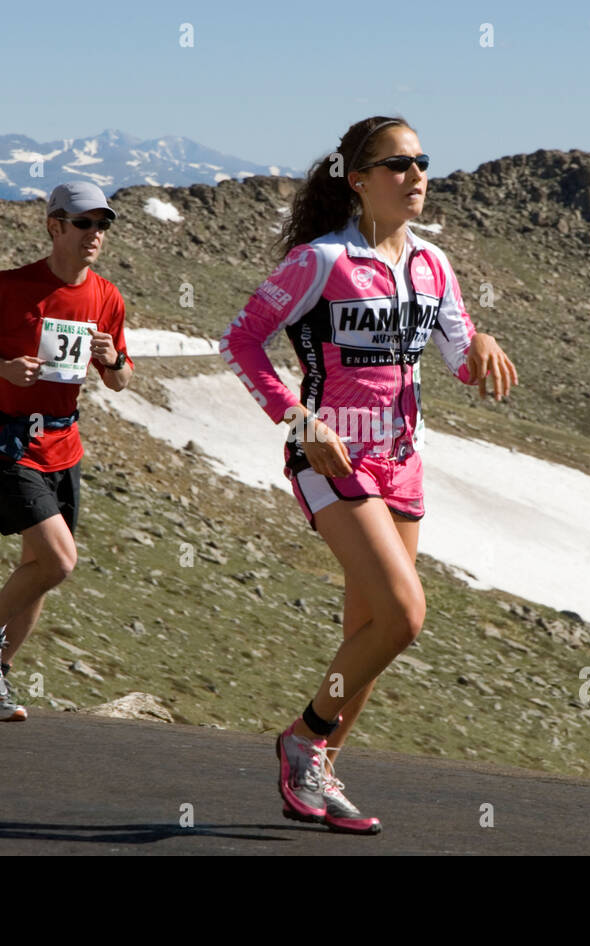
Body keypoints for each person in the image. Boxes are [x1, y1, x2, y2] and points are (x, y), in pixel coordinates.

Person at [221, 116, 517, 834]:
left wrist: (478, 341)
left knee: (372, 633)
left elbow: (454, 354)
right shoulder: (320, 262)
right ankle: (303, 737)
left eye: (422, 162)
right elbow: (240, 340)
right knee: (405, 615)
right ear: (359, 180)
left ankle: (318, 771)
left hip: (403, 464)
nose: (416, 175)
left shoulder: (434, 265)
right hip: (331, 456)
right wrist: (299, 420)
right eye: (397, 165)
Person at [0, 181, 134, 721]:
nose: (95, 233)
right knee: (58, 560)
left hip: (64, 446)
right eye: (83, 223)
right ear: (55, 227)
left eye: (103, 224)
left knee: (40, 568)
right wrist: (1, 368)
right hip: (10, 441)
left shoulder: (106, 295)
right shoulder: (7, 288)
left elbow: (119, 380)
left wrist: (112, 356)